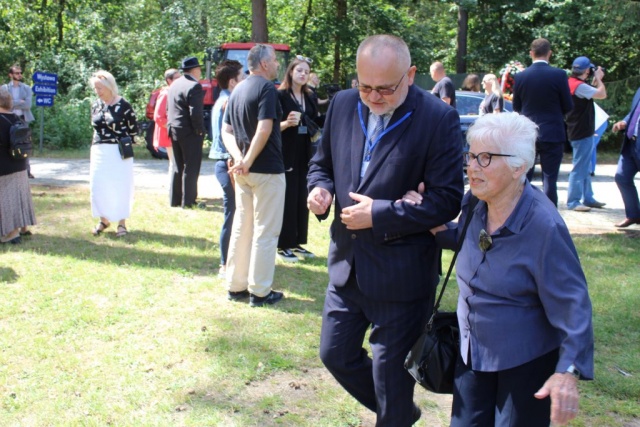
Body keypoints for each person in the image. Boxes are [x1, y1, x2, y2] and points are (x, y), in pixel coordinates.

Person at [307, 35, 463, 426]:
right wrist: (320, 189)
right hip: (347, 266)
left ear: (410, 75)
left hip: (402, 274)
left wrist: (380, 213)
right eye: (365, 87)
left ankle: (395, 413)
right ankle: (401, 415)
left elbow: (447, 200)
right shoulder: (343, 104)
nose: (373, 97)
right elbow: (322, 163)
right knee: (335, 354)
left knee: (391, 380)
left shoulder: (438, 118)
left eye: (385, 89)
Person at [420, 113, 593, 427]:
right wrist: (428, 218)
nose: (472, 167)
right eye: (470, 155)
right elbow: (467, 238)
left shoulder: (544, 227)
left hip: (524, 360)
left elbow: (573, 305)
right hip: (471, 350)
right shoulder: (475, 202)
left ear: (518, 167)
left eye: (485, 158)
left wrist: (567, 372)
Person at [221, 44, 286, 308]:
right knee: (265, 231)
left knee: (242, 227)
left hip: (244, 173)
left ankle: (235, 285)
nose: (277, 64)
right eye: (274, 59)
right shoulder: (267, 88)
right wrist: (245, 160)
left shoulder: (237, 89)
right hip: (266, 170)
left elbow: (225, 131)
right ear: (264, 63)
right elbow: (264, 128)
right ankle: (260, 292)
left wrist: (240, 159)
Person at [513, 38, 573, 207]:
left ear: (531, 53)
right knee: (550, 179)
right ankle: (550, 214)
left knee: (525, 178)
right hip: (553, 131)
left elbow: (517, 107)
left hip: (528, 132)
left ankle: (522, 210)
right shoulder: (559, 75)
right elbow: (568, 105)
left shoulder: (521, 76)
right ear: (549, 53)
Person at [276, 56, 320, 262]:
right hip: (287, 152)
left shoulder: (309, 96)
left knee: (303, 197)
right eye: (299, 70)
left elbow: (316, 120)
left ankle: (297, 241)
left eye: (306, 71)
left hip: (306, 153)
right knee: (288, 197)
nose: (303, 74)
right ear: (291, 72)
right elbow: (270, 126)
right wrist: (286, 123)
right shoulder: (280, 95)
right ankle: (283, 243)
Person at [88, 70, 138, 237]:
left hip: (118, 150)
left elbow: (133, 130)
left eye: (100, 88)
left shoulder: (123, 105)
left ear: (110, 87)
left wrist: (126, 144)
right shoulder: (96, 105)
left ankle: (121, 223)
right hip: (99, 149)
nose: (97, 91)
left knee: (120, 186)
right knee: (98, 185)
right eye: (95, 88)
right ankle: (103, 220)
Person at [209, 60, 245, 277]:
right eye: (242, 77)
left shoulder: (222, 100)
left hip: (224, 163)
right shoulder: (228, 102)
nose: (245, 81)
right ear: (232, 82)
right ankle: (225, 263)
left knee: (234, 213)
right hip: (228, 163)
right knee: (233, 214)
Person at [565, 56, 607, 212]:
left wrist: (595, 81)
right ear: (587, 70)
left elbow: (591, 92)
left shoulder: (572, 83)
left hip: (578, 129)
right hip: (582, 131)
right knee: (579, 167)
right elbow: (601, 94)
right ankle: (573, 201)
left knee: (585, 166)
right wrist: (599, 79)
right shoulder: (580, 86)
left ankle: (588, 197)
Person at [167, 57, 205, 208]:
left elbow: (169, 108)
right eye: (199, 69)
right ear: (195, 70)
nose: (200, 72)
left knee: (178, 165)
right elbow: (195, 112)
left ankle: (175, 200)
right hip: (189, 131)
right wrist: (199, 130)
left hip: (174, 128)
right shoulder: (194, 86)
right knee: (191, 166)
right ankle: (188, 201)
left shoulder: (175, 84)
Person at [0, 87, 36, 244]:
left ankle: (10, 233)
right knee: (19, 198)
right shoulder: (17, 119)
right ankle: (22, 227)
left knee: (5, 200)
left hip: (4, 168)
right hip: (20, 165)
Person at [612, 85, 640, 228]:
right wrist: (624, 121)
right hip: (631, 144)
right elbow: (635, 112)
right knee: (622, 177)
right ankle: (633, 215)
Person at [2, 64, 35, 180]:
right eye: (17, 73)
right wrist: (19, 101)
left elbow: (27, 105)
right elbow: (4, 105)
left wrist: (12, 102)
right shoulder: (4, 88)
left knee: (24, 144)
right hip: (8, 118)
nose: (19, 75)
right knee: (8, 143)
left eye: (20, 73)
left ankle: (27, 171)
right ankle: (10, 169)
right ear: (10, 75)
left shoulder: (26, 88)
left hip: (22, 118)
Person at [153, 68, 181, 198]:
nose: (180, 80)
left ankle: (175, 189)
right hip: (168, 134)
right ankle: (173, 190)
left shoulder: (174, 92)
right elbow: (158, 117)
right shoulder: (165, 94)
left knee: (176, 162)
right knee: (174, 162)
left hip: (173, 133)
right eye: (177, 78)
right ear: (169, 80)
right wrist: (173, 129)